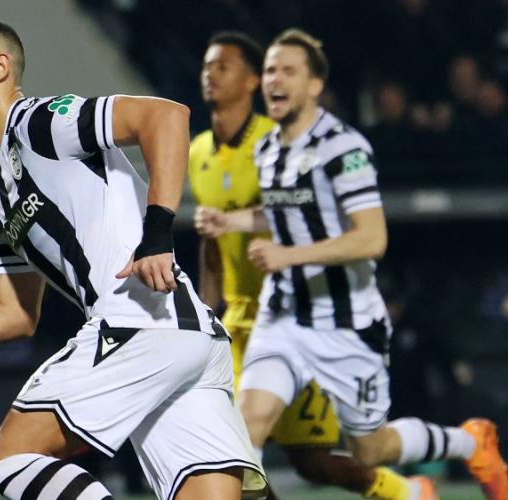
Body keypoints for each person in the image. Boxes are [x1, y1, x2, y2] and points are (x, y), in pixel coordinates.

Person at [0, 18, 267, 500]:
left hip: (136, 325)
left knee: (11, 460)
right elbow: (14, 313)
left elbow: (165, 116)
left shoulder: (40, 121)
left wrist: (157, 234)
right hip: (186, 337)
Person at [195, 28, 508, 500]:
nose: (275, 79)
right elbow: (287, 210)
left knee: (370, 448)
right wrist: (232, 220)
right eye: (271, 70)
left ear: (315, 85)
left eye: (288, 71)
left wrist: (289, 255)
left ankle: (470, 441)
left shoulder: (344, 149)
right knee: (247, 425)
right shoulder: (268, 149)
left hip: (346, 323)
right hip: (283, 317)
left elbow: (371, 237)